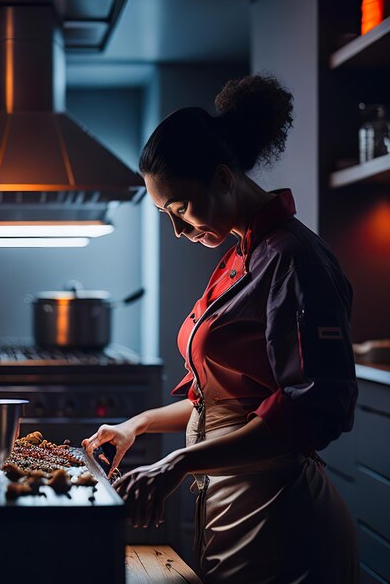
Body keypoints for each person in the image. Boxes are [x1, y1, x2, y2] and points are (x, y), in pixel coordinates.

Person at [83, 74, 359, 583]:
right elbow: (227, 397)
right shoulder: (241, 257)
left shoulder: (294, 260)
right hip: (230, 510)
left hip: (282, 518)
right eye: (168, 215)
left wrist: (178, 463)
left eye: (181, 208)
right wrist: (137, 425)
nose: (179, 230)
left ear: (225, 179)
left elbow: (313, 407)